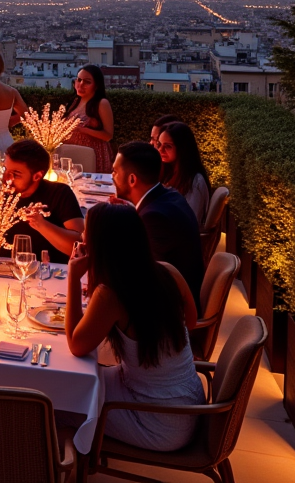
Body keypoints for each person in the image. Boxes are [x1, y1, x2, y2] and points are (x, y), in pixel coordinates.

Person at [64, 203, 203, 452]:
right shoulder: (168, 272)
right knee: (70, 384)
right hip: (188, 403)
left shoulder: (111, 294)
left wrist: (74, 276)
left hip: (159, 420)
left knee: (62, 402)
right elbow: (190, 323)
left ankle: (54, 469)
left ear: (101, 245)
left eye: (86, 235)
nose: (82, 238)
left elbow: (76, 345)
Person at [111, 141, 204, 306]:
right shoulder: (169, 196)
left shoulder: (155, 217)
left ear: (132, 179)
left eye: (115, 171)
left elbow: (144, 279)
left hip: (170, 312)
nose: (112, 176)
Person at [2, 139, 84, 263]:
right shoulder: (0, 196)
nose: (6, 178)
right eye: (5, 170)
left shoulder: (59, 193)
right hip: (4, 272)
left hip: (49, 274)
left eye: (16, 174)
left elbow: (80, 247)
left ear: (37, 176)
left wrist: (41, 225)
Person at [156, 121, 211, 223]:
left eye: (168, 146)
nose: (160, 149)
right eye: (159, 144)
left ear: (182, 149)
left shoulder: (195, 182)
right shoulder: (167, 173)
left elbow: (190, 221)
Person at [65, 64, 114, 173]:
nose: (81, 85)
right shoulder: (75, 102)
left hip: (92, 157)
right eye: (79, 80)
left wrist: (83, 130)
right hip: (73, 157)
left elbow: (108, 135)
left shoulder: (101, 103)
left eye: (87, 82)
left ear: (96, 86)